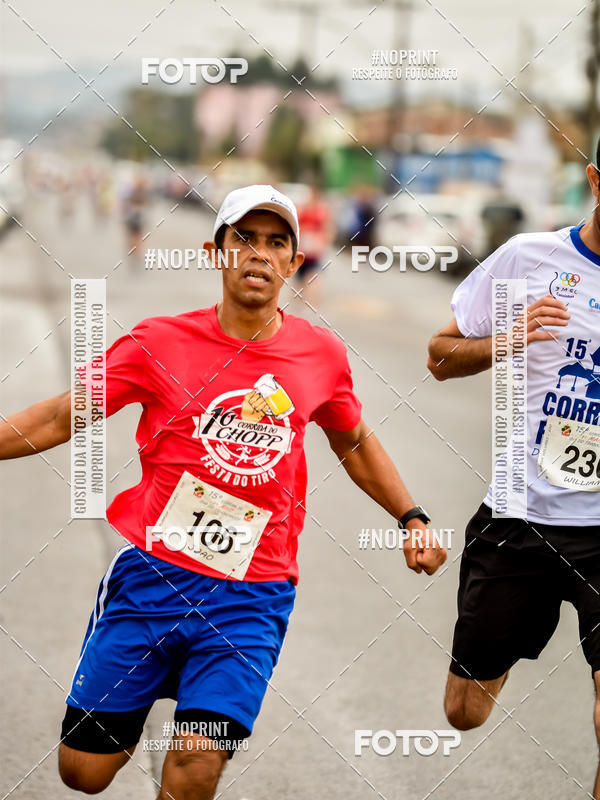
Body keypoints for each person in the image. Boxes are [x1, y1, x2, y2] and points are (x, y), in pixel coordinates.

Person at [1, 184, 446, 800]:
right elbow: (60, 415)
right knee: (83, 772)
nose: (259, 253)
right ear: (216, 253)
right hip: (153, 579)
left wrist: (411, 515)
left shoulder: (320, 354)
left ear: (294, 261)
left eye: (276, 242)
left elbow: (354, 441)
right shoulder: (159, 342)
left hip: (251, 597)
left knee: (195, 763)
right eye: (244, 239)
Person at [427, 142, 600, 796]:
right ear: (595, 181)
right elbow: (439, 357)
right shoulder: (528, 259)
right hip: (520, 518)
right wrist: (511, 336)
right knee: (464, 710)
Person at [295, 184, 334, 307]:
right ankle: (302, 301)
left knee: (313, 275)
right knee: (301, 276)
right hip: (303, 248)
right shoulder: (304, 209)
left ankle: (311, 302)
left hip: (314, 249)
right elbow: (297, 226)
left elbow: (328, 228)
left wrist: (324, 242)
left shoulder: (321, 211)